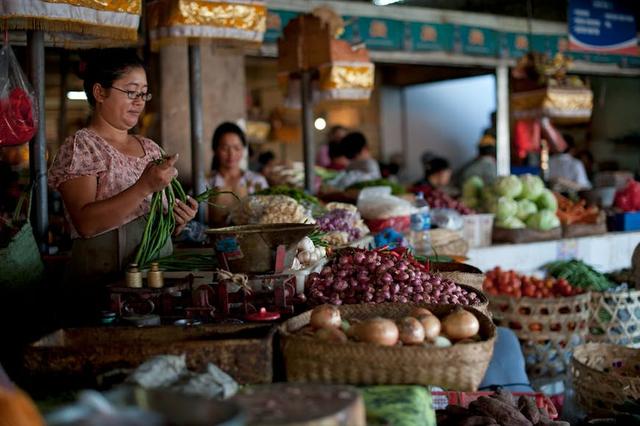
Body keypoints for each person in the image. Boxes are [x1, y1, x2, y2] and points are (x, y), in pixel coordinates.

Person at [48, 49, 198, 317]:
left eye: (144, 93)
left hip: (153, 284)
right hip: (99, 285)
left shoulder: (151, 149)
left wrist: (177, 221)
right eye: (131, 92)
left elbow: (156, 220)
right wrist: (144, 187)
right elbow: (85, 223)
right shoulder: (82, 147)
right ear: (100, 92)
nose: (139, 101)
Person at [208, 122, 268, 226]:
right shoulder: (206, 182)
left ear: (243, 149)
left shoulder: (257, 181)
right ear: (215, 150)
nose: (231, 154)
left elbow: (267, 214)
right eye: (225, 148)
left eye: (237, 148)